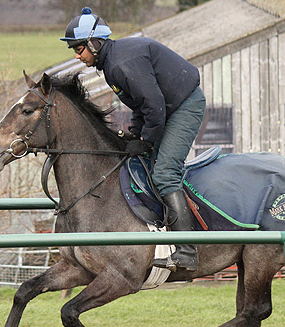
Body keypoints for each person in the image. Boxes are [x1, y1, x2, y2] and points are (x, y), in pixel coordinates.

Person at [61, 7, 205, 272]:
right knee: (145, 163)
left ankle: (187, 251)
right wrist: (135, 134)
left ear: (94, 43)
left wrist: (146, 140)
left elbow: (154, 106)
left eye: (79, 49)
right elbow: (141, 105)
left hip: (184, 107)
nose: (77, 56)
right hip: (166, 109)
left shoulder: (119, 64)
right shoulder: (112, 64)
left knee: (164, 174)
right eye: (74, 50)